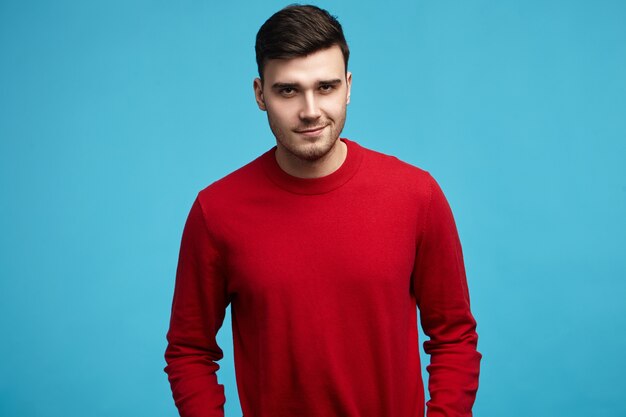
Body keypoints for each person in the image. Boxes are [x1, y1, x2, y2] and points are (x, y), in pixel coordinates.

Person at [164, 4, 481, 417]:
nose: (310, 110)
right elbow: (189, 350)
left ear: (348, 86)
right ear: (261, 94)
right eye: (289, 90)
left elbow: (454, 335)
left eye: (326, 87)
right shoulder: (217, 211)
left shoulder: (416, 195)